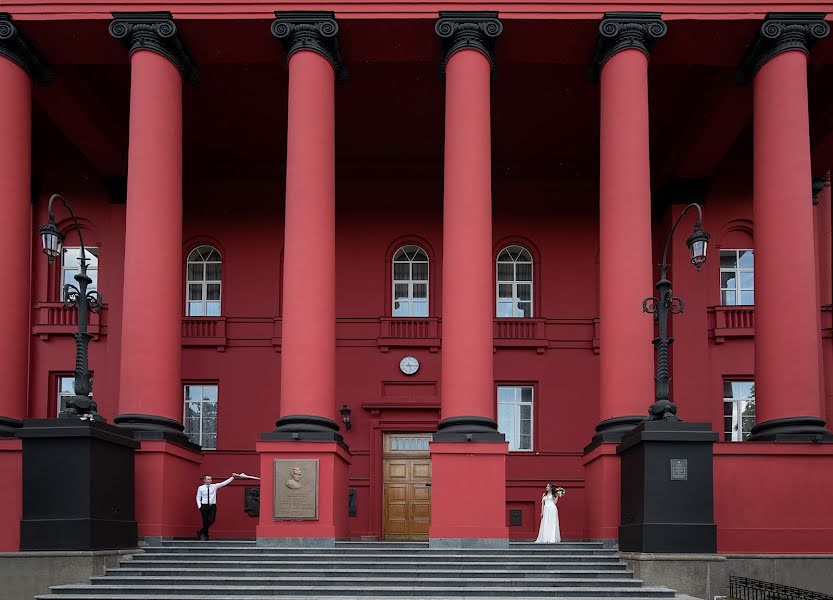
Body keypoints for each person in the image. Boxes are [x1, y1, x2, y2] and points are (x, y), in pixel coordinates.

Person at [196, 473, 240, 540]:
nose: (210, 480)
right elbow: (198, 497)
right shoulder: (201, 488)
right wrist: (200, 506)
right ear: (204, 480)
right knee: (205, 521)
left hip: (212, 506)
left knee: (212, 520)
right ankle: (206, 536)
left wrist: (232, 477)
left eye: (210, 479)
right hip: (204, 506)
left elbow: (224, 483)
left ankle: (200, 531)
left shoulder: (214, 486)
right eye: (208, 479)